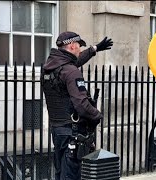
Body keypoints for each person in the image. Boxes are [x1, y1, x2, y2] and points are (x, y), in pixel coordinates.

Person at [42, 31, 113, 180]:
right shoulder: (71, 72)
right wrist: (97, 115)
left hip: (57, 130)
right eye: (79, 46)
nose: (80, 49)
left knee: (61, 172)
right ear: (72, 46)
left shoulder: (50, 67)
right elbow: (81, 104)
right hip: (72, 133)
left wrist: (94, 49)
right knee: (72, 175)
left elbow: (75, 61)